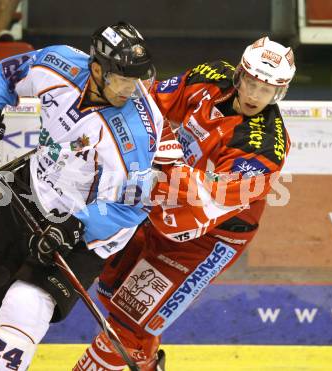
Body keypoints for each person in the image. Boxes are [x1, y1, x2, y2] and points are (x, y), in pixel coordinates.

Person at [72, 36, 296, 370]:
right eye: (250, 83)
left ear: (279, 93)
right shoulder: (210, 75)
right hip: (159, 201)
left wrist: (164, 168)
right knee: (109, 289)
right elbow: (149, 105)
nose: (253, 96)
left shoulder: (264, 149)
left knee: (130, 323)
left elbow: (202, 205)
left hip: (209, 236)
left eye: (266, 90)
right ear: (238, 74)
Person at [0, 22, 162, 370]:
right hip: (29, 194)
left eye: (137, 78)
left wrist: (74, 229)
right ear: (97, 70)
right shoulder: (57, 64)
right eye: (123, 78)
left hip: (88, 229)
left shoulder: (138, 129)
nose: (132, 88)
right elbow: (5, 74)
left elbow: (132, 204)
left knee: (25, 303)